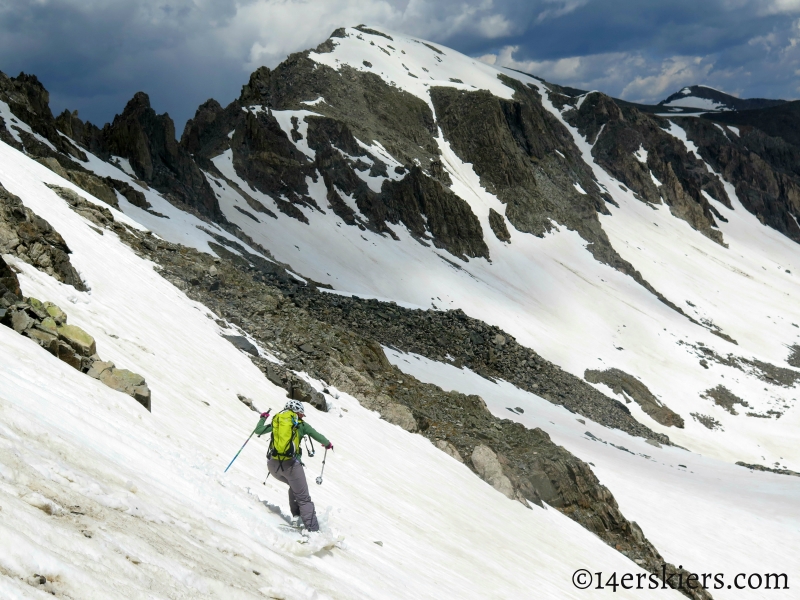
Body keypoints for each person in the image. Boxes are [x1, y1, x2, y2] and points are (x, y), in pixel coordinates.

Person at [256, 399, 333, 532]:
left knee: (295, 487)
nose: (302, 416)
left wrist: (262, 418)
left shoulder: (278, 422)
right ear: (298, 413)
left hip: (273, 465)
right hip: (291, 466)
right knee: (304, 498)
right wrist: (327, 444)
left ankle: (296, 517)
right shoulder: (301, 425)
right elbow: (318, 436)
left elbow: (259, 430)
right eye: (302, 414)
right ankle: (314, 531)